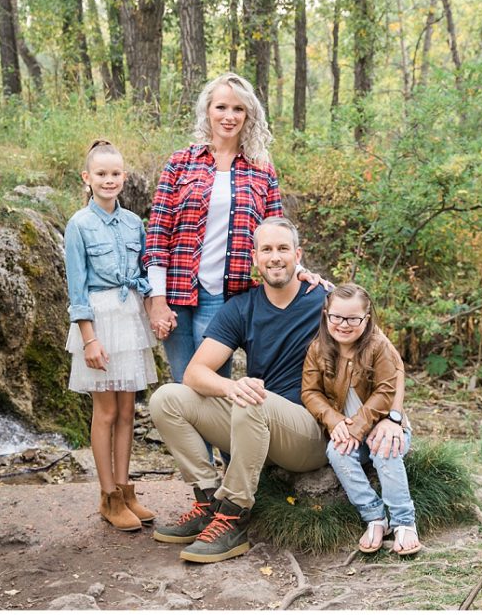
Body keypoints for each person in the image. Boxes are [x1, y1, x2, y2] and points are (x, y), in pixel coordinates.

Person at [148, 217, 403, 564]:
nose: (275, 257)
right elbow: (195, 373)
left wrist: (392, 418)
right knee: (167, 398)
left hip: (311, 432)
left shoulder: (324, 301)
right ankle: (210, 499)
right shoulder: (242, 307)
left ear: (298, 255)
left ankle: (234, 517)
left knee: (256, 400)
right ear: (254, 258)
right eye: (266, 249)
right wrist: (232, 385)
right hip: (253, 423)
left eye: (283, 248)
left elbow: (392, 361)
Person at [142, 72, 325, 382]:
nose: (229, 116)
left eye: (238, 109)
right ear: (208, 110)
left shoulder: (261, 170)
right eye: (221, 107)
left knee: (210, 385)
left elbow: (276, 231)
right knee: (182, 384)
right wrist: (157, 301)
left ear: (248, 115)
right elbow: (158, 236)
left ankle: (215, 433)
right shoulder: (180, 163)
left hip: (225, 296)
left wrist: (299, 270)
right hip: (176, 290)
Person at [64, 139, 158, 532]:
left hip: (129, 317)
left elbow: (143, 274)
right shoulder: (79, 225)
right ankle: (107, 495)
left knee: (127, 411)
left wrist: (155, 309)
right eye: (101, 174)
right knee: (104, 411)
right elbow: (77, 289)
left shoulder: (134, 222)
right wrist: (89, 338)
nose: (109, 180)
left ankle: (126, 488)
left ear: (125, 176)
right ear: (87, 178)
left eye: (115, 173)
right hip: (100, 322)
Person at [301, 283, 420, 555]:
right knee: (336, 451)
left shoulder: (378, 346)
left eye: (353, 319)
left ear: (366, 319)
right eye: (336, 317)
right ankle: (375, 517)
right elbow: (310, 392)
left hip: (383, 425)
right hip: (346, 429)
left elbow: (386, 390)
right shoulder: (317, 349)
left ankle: (404, 521)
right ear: (326, 314)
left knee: (385, 449)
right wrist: (333, 421)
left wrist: (360, 426)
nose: (344, 324)